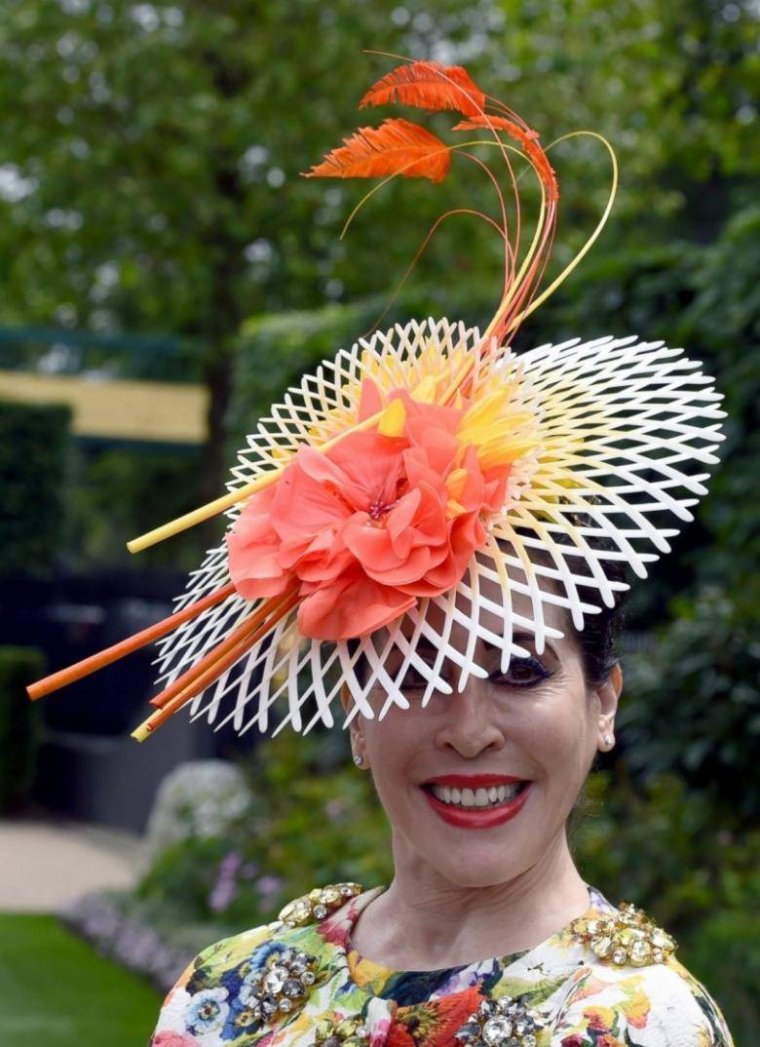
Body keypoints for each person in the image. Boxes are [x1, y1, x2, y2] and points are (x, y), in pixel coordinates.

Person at [26, 58, 733, 1046]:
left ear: (603, 700)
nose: (469, 727)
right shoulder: (224, 999)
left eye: (522, 671)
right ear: (354, 717)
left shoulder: (633, 1025)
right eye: (414, 672)